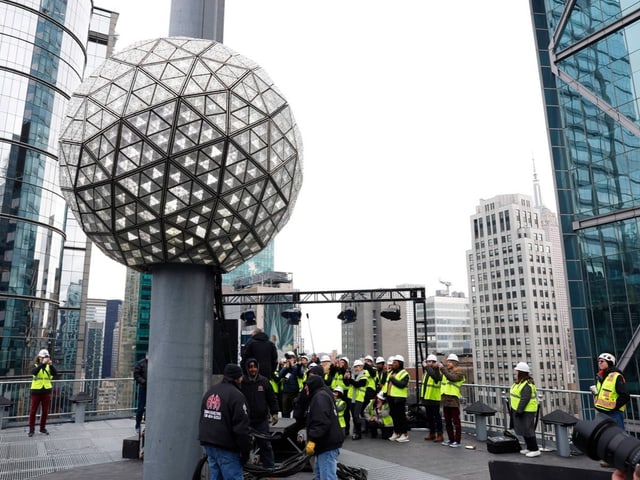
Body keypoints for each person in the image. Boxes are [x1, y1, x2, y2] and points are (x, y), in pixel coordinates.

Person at [199, 363, 251, 479]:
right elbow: (241, 429)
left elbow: (203, 417)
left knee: (216, 476)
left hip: (209, 443)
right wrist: (245, 452)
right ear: (237, 378)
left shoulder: (211, 392)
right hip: (227, 447)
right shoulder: (237, 396)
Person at [240, 358, 279, 469]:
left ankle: (269, 469)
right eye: (250, 367)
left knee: (265, 445)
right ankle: (244, 468)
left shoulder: (264, 381)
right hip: (246, 421)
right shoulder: (242, 382)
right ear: (247, 368)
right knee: (244, 445)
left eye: (254, 367)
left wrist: (275, 412)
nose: (253, 369)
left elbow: (272, 398)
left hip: (261, 421)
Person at [304, 375, 344, 480]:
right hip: (324, 445)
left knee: (327, 477)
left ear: (312, 385)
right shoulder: (323, 394)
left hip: (326, 445)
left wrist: (312, 440)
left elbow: (321, 422)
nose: (305, 388)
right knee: (319, 475)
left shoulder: (319, 398)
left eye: (307, 385)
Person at [510, 362, 540, 457]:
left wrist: (519, 410)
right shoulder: (520, 382)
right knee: (523, 429)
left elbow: (525, 398)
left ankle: (535, 449)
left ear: (521, 372)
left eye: (517, 370)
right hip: (519, 409)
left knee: (528, 429)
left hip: (527, 410)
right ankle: (529, 448)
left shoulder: (527, 384)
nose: (515, 372)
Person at [593, 352, 629, 429]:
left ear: (609, 362)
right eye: (599, 361)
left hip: (614, 413)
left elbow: (625, 396)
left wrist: (614, 406)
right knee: (606, 435)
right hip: (602, 412)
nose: (599, 363)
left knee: (618, 435)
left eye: (602, 361)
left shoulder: (616, 376)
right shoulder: (601, 376)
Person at [28, 349, 57, 437]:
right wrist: (43, 364)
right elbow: (34, 372)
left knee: (45, 411)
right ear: (39, 357)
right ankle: (31, 429)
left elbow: (55, 374)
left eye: (47, 357)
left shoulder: (48, 366)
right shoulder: (35, 365)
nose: (46, 358)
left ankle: (42, 428)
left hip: (46, 390)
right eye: (44, 357)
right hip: (36, 390)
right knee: (33, 411)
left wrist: (50, 365)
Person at [439, 353, 465, 448]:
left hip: (453, 399)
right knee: (448, 421)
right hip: (445, 399)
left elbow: (452, 378)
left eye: (449, 361)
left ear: (454, 362)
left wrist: (443, 369)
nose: (448, 363)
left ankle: (457, 441)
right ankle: (451, 439)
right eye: (447, 361)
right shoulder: (447, 372)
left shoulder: (459, 372)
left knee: (456, 421)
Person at [384, 355, 410, 443]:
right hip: (391, 397)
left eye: (395, 362)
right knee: (394, 416)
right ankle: (396, 432)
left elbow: (402, 384)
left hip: (399, 398)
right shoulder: (391, 372)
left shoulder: (404, 373)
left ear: (400, 363)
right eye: (393, 362)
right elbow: (387, 385)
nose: (393, 364)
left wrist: (393, 379)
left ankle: (404, 434)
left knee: (401, 416)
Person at [344, 359, 369, 440]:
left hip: (359, 398)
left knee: (355, 415)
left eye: (357, 367)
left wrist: (350, 379)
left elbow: (358, 384)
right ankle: (356, 432)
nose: (356, 368)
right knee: (354, 416)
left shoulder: (364, 376)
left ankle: (358, 432)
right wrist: (346, 378)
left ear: (361, 367)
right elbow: (347, 384)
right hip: (351, 398)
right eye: (355, 367)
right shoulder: (353, 375)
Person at [421, 354, 443, 442]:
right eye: (427, 362)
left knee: (437, 417)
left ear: (435, 363)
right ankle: (432, 433)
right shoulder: (427, 372)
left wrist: (426, 367)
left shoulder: (438, 371)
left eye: (430, 362)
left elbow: (434, 376)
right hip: (427, 397)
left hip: (435, 398)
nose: (429, 363)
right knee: (429, 417)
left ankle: (440, 434)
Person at [279, 351, 304, 417]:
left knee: (296, 408)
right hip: (286, 391)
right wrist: (286, 367)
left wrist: (294, 366)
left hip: (294, 391)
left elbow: (300, 375)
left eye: (291, 358)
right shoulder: (286, 367)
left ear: (294, 358)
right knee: (285, 410)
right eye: (288, 358)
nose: (290, 359)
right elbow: (280, 375)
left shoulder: (298, 366)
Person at [133, 352, 148, 434]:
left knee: (150, 409)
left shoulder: (155, 363)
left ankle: (147, 425)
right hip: (144, 388)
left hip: (152, 389)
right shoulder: (141, 363)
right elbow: (136, 374)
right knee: (141, 408)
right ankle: (138, 425)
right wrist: (143, 382)